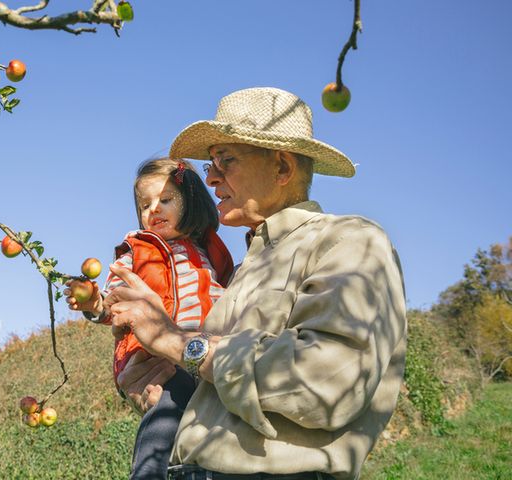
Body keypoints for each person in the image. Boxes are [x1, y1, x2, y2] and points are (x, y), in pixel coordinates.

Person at [104, 87, 407, 480]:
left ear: (282, 168)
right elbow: (220, 381)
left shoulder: (349, 240)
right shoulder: (241, 270)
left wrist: (177, 341)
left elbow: (328, 382)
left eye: (224, 161)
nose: (209, 177)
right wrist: (152, 381)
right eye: (211, 162)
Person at [65, 158, 234, 479]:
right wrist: (92, 302)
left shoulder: (211, 252)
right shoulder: (137, 252)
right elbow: (115, 301)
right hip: (153, 359)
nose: (153, 210)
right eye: (145, 205)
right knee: (167, 413)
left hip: (201, 353)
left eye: (166, 200)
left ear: (192, 201)